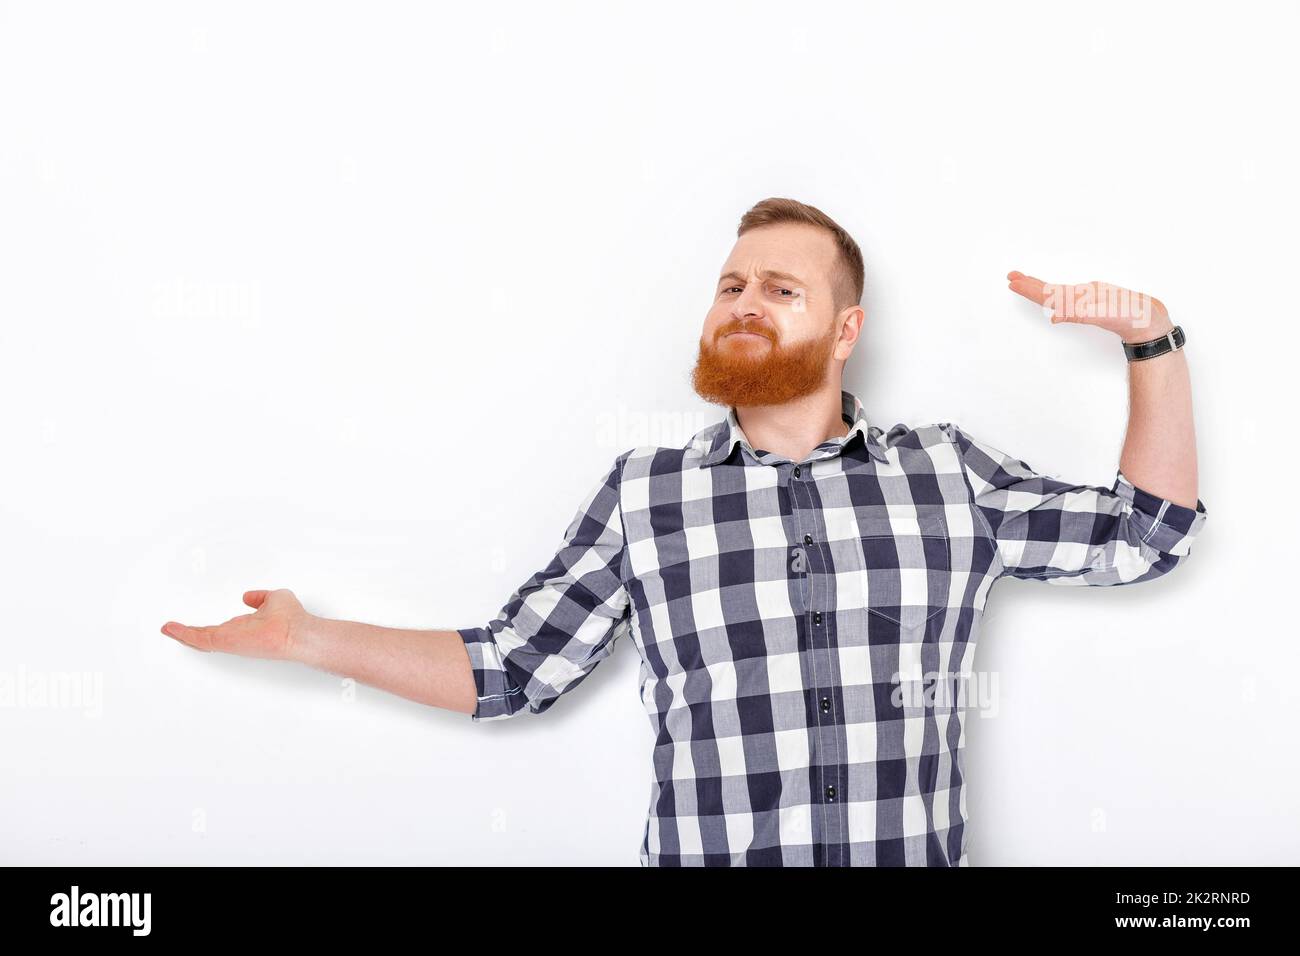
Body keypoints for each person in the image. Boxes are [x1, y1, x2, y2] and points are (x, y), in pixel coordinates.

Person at [161, 197, 1207, 866]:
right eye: (731, 284)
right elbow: (513, 665)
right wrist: (309, 639)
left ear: (845, 333)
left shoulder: (945, 472)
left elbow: (1144, 536)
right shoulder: (647, 491)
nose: (743, 301)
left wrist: (1150, 340)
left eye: (780, 288)